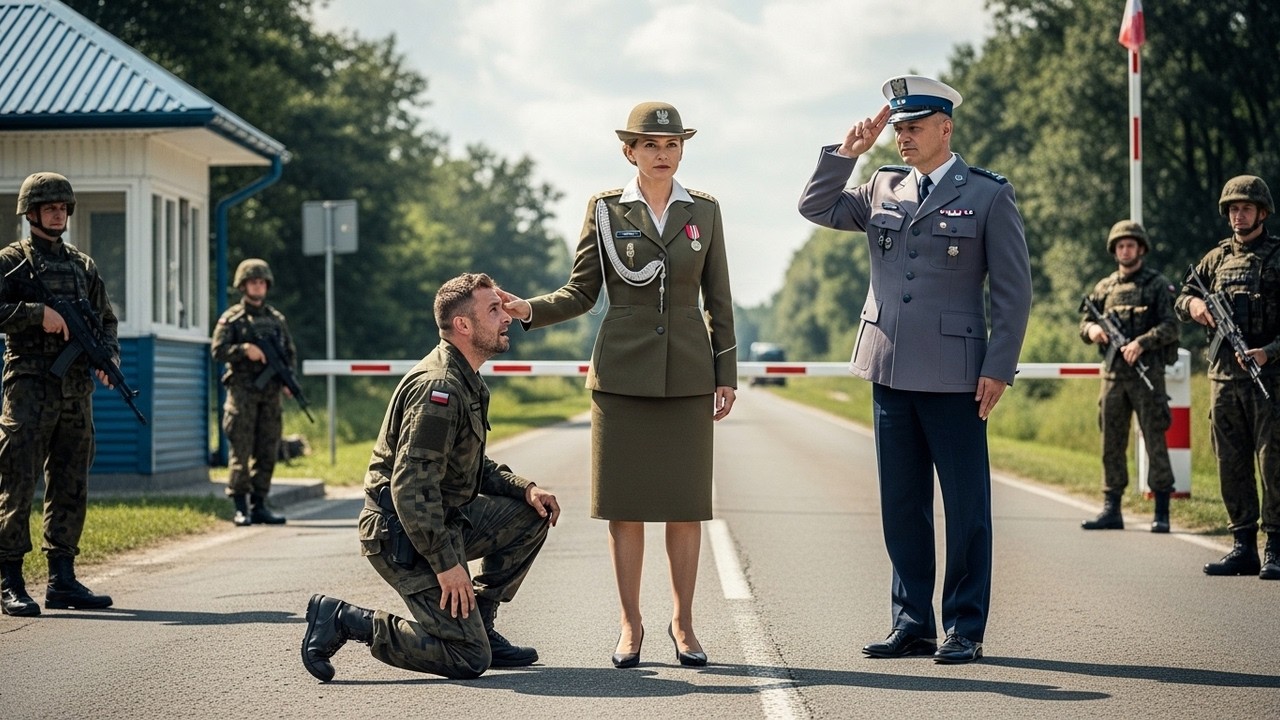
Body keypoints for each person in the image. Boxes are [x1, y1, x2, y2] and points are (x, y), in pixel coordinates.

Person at [798, 76, 1032, 664]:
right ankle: (911, 622)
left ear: (945, 127)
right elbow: (815, 206)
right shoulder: (880, 186)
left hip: (957, 375)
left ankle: (964, 627)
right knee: (901, 505)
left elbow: (1012, 292)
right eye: (898, 128)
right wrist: (848, 152)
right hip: (889, 367)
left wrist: (999, 366)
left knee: (966, 506)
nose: (902, 137)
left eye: (914, 126)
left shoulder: (986, 194)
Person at [501, 101, 737, 669]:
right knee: (624, 509)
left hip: (686, 374)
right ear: (629, 151)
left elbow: (719, 298)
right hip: (622, 375)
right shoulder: (605, 210)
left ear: (682, 150)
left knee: (685, 508)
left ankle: (683, 622)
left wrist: (724, 373)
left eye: (672, 145)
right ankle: (630, 623)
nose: (663, 154)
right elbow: (581, 291)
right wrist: (527, 309)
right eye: (651, 145)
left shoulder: (703, 211)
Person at [302, 272, 560, 682]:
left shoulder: (465, 378)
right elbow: (411, 487)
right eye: (493, 310)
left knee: (531, 514)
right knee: (467, 658)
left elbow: (469, 466)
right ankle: (346, 620)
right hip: (401, 534)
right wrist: (447, 566)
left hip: (441, 519)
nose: (507, 315)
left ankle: (481, 624)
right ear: (463, 325)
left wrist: (525, 488)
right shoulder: (439, 388)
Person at [0, 172, 117, 616]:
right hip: (28, 387)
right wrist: (35, 314)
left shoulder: (82, 266)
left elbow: (106, 320)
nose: (58, 213)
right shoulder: (11, 261)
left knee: (71, 481)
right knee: (16, 481)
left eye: (63, 207)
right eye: (49, 206)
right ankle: (10, 580)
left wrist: (109, 361)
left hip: (74, 392)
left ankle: (62, 579)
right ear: (30, 212)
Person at [1175, 175, 1280, 580]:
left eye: (1246, 209)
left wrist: (1268, 352)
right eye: (1234, 209)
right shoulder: (1215, 259)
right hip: (1222, 381)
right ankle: (1242, 545)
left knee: (1273, 463)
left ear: (1262, 213)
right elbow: (1181, 296)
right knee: (1230, 462)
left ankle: (1275, 545)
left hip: (1269, 380)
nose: (1239, 215)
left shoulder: (1276, 257)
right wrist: (1195, 305)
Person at [1079, 220, 1180, 533]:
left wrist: (1141, 343)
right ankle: (1112, 508)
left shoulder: (1156, 285)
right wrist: (1092, 329)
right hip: (1112, 377)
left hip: (1147, 375)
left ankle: (1161, 511)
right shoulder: (1104, 288)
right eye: (1120, 246)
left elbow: (1171, 326)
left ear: (1141, 248)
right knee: (1111, 441)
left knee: (1154, 441)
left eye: (1131, 245)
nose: (1125, 250)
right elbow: (1085, 321)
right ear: (1114, 251)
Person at [211, 258, 297, 526]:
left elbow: (289, 354)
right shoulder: (232, 319)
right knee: (241, 451)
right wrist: (244, 350)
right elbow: (217, 351)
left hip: (270, 395)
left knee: (267, 449)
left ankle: (259, 504)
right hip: (243, 394)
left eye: (261, 282)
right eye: (252, 282)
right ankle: (240, 507)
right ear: (243, 285)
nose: (258, 287)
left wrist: (287, 380)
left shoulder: (276, 320)